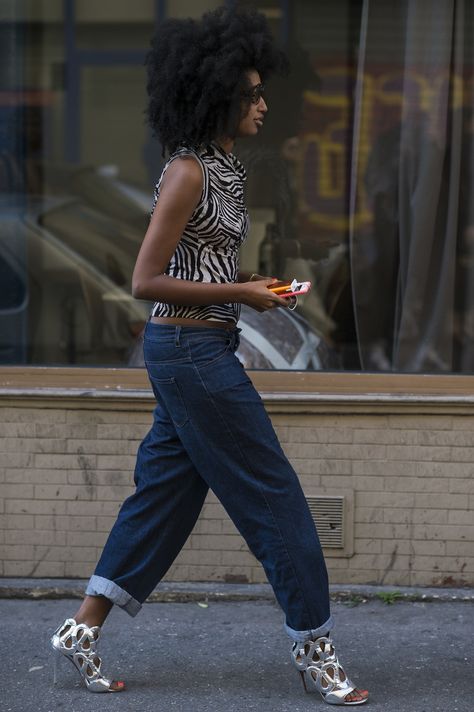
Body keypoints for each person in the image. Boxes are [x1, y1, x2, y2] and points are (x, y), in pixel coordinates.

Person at [50, 7, 368, 705]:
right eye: (250, 93)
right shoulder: (189, 172)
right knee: (274, 494)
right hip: (189, 350)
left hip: (205, 342)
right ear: (213, 95)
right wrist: (241, 292)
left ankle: (82, 629)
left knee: (165, 496)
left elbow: (206, 261)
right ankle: (316, 649)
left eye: (261, 92)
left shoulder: (226, 167)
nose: (261, 103)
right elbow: (143, 282)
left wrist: (252, 288)